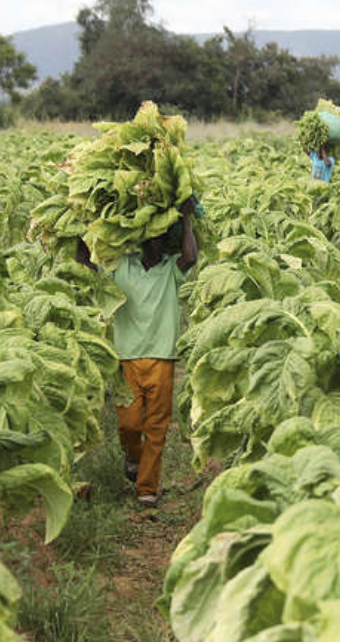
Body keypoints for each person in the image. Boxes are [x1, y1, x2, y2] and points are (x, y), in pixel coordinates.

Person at [112, 198, 199, 508]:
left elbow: (190, 256)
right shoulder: (123, 265)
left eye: (162, 236)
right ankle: (133, 459)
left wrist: (186, 217)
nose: (156, 242)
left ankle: (147, 488)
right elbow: (88, 260)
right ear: (140, 238)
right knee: (129, 424)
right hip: (127, 357)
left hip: (162, 356)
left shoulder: (170, 270)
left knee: (156, 426)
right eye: (151, 235)